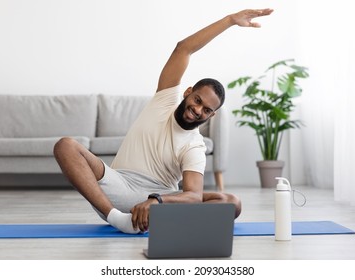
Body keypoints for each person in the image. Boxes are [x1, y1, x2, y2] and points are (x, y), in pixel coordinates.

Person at [54, 8, 273, 234]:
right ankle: (118, 219)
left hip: (160, 200)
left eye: (206, 110)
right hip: (119, 189)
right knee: (66, 146)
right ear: (188, 92)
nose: (197, 110)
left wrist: (157, 200)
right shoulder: (165, 100)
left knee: (232, 202)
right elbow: (183, 48)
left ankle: (153, 218)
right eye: (197, 100)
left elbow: (194, 195)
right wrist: (229, 21)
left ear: (211, 115)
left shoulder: (195, 145)